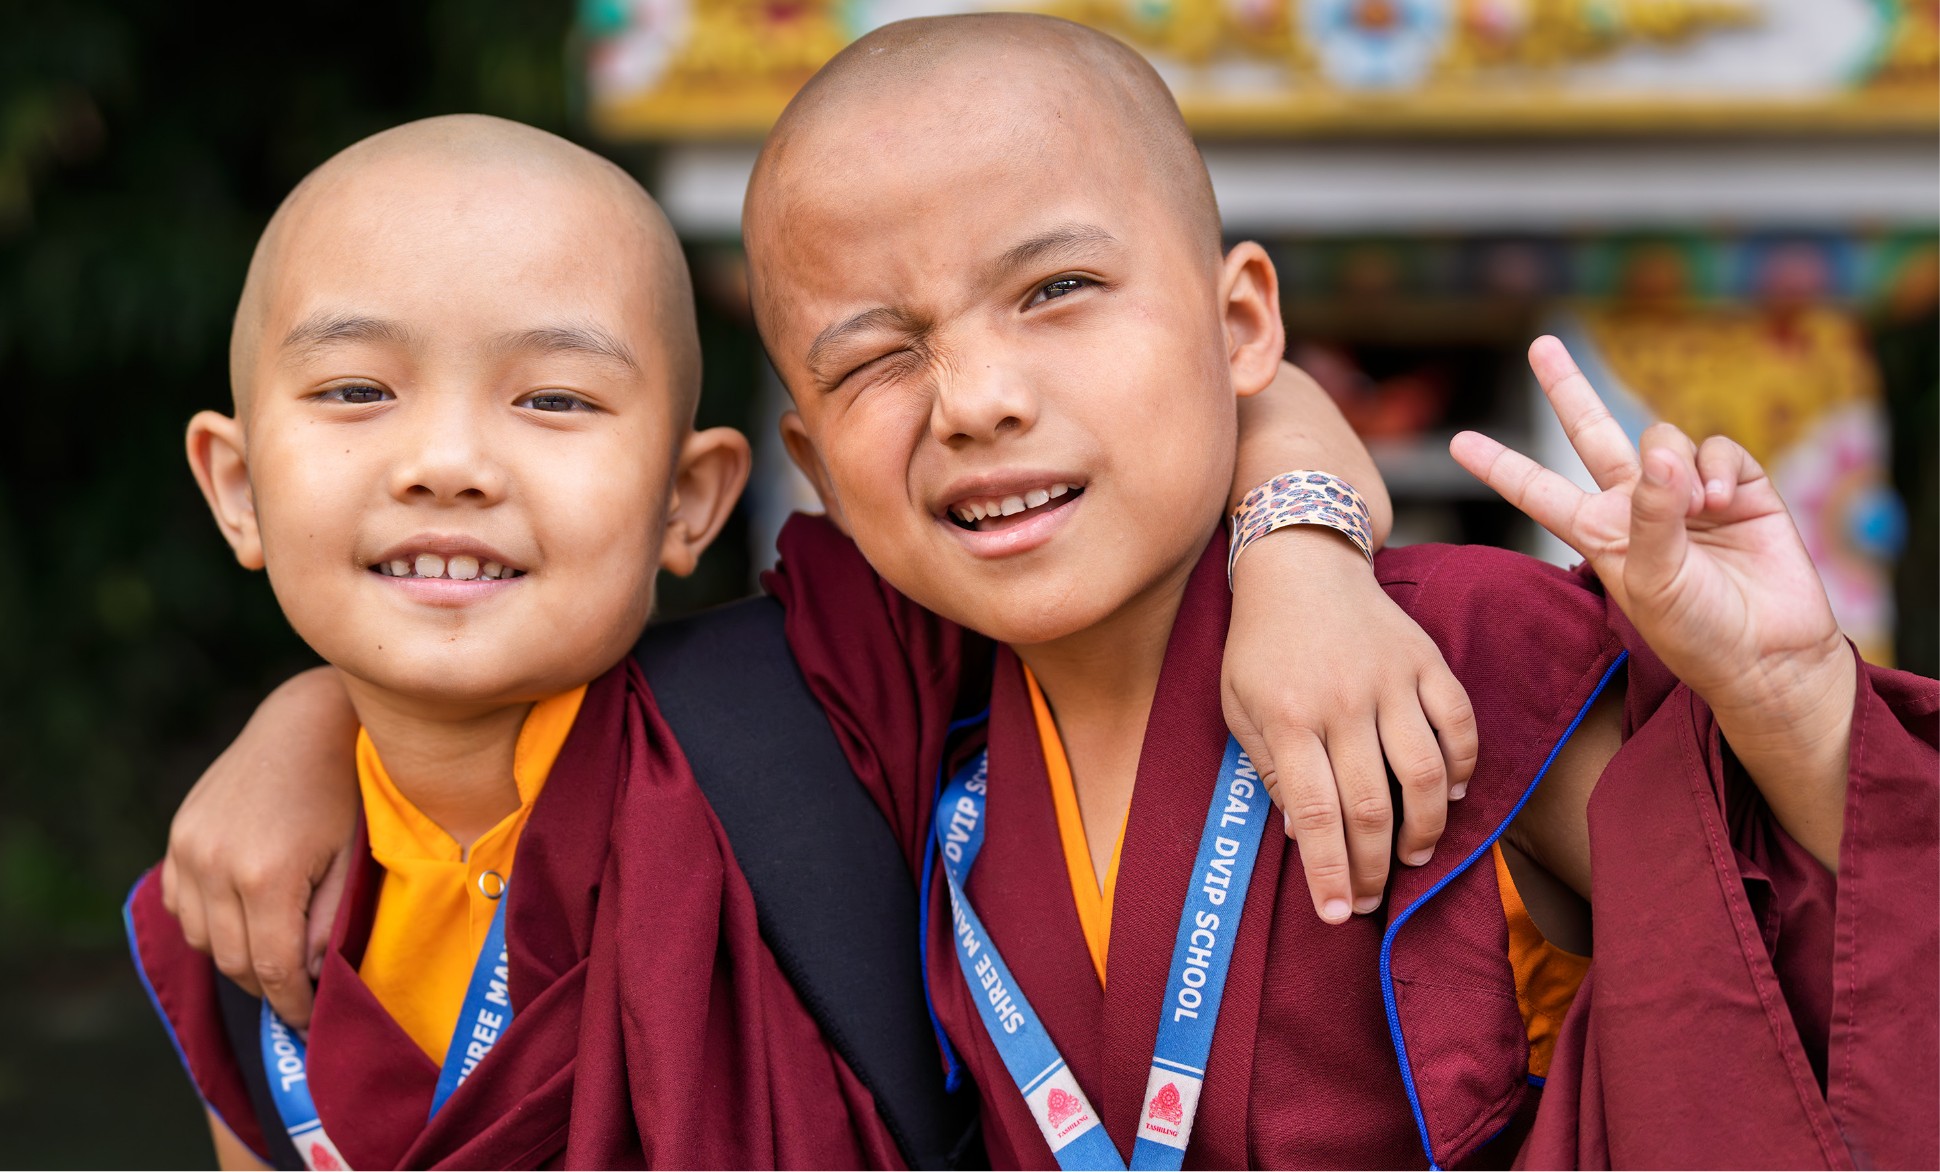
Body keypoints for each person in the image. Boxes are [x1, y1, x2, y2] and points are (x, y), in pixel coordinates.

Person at [136, 111, 1476, 1167]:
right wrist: (310, 714)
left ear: (692, 498)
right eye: (356, 389)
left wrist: (1298, 554)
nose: (446, 462)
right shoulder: (238, 915)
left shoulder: (819, 701)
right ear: (234, 486)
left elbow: (1206, 400)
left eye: (552, 399)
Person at [738, 15, 1935, 1169]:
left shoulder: (1455, 646)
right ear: (817, 469)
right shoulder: (895, 711)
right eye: (874, 358)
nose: (973, 400)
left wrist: (1786, 695)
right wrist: (1296, 527)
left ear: (1241, 323)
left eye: (1054, 289)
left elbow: (1800, 982)